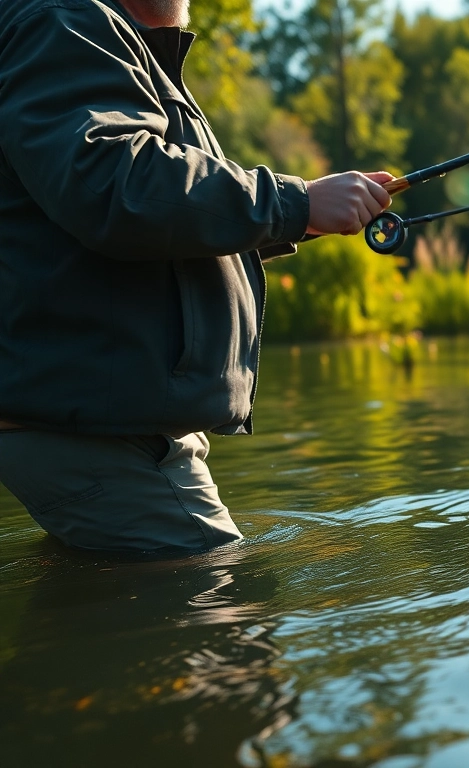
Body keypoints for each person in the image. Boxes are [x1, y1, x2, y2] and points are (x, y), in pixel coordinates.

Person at [0, 0, 393, 553]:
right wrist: (294, 202)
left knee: (106, 616)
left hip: (101, 417)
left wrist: (299, 219)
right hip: (96, 428)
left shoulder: (94, 34)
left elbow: (155, 218)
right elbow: (117, 185)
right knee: (215, 617)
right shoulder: (62, 20)